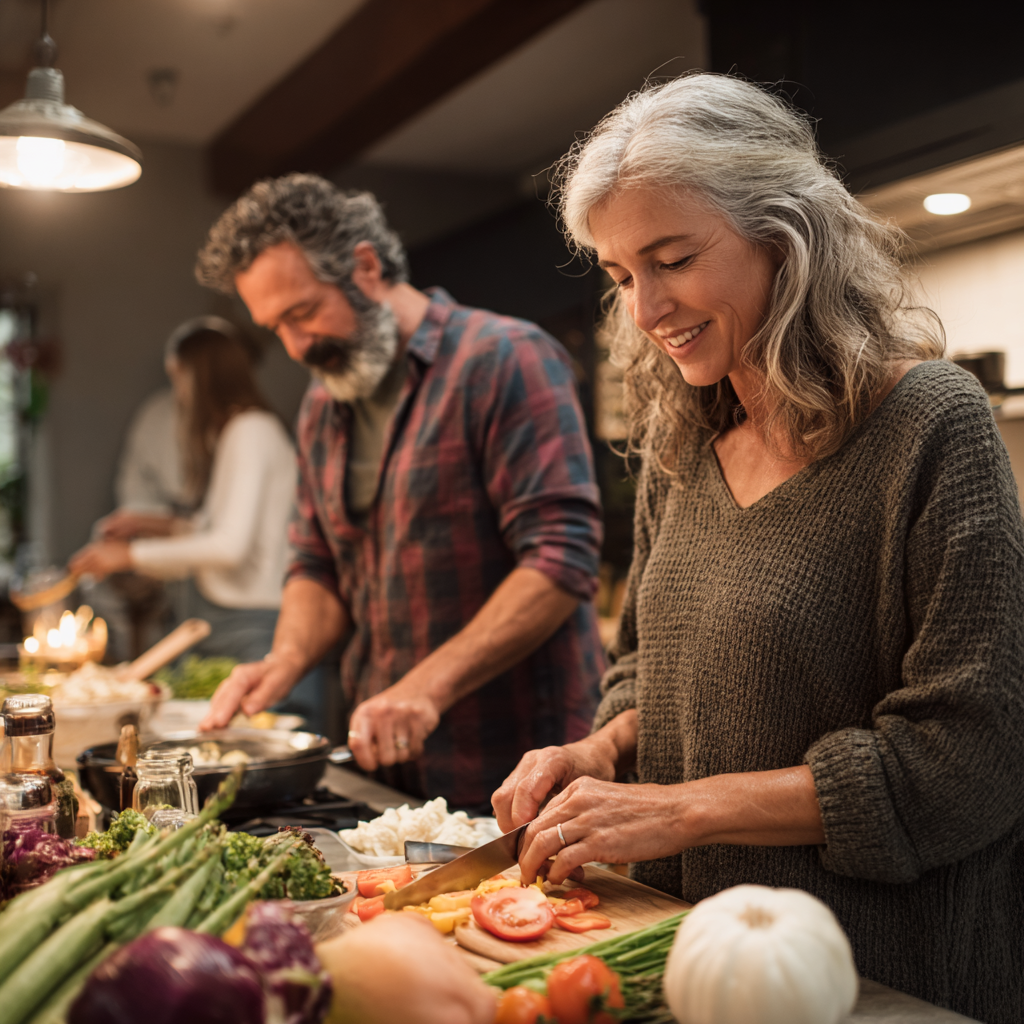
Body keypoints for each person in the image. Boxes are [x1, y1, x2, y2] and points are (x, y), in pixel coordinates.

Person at [493, 75, 1024, 1022]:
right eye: (621, 275)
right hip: (693, 955)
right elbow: (649, 669)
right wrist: (604, 751)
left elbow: (971, 762)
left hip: (876, 977)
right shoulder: (684, 445)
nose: (647, 308)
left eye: (674, 258)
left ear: (786, 238)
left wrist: (684, 806)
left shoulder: (932, 425)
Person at [193, 175, 605, 812]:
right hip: (390, 777)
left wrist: (426, 688)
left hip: (522, 774)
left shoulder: (505, 359)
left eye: (302, 312)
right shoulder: (322, 405)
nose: (298, 346)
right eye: (276, 327)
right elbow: (317, 564)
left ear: (364, 265)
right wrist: (287, 656)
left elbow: (560, 560)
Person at [69, 319, 326, 729]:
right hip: (235, 622)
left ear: (201, 374)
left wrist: (128, 555)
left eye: (179, 379)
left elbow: (228, 547)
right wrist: (151, 524)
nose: (180, 394)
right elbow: (214, 529)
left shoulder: (250, 430)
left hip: (257, 626)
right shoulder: (239, 431)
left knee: (262, 752)